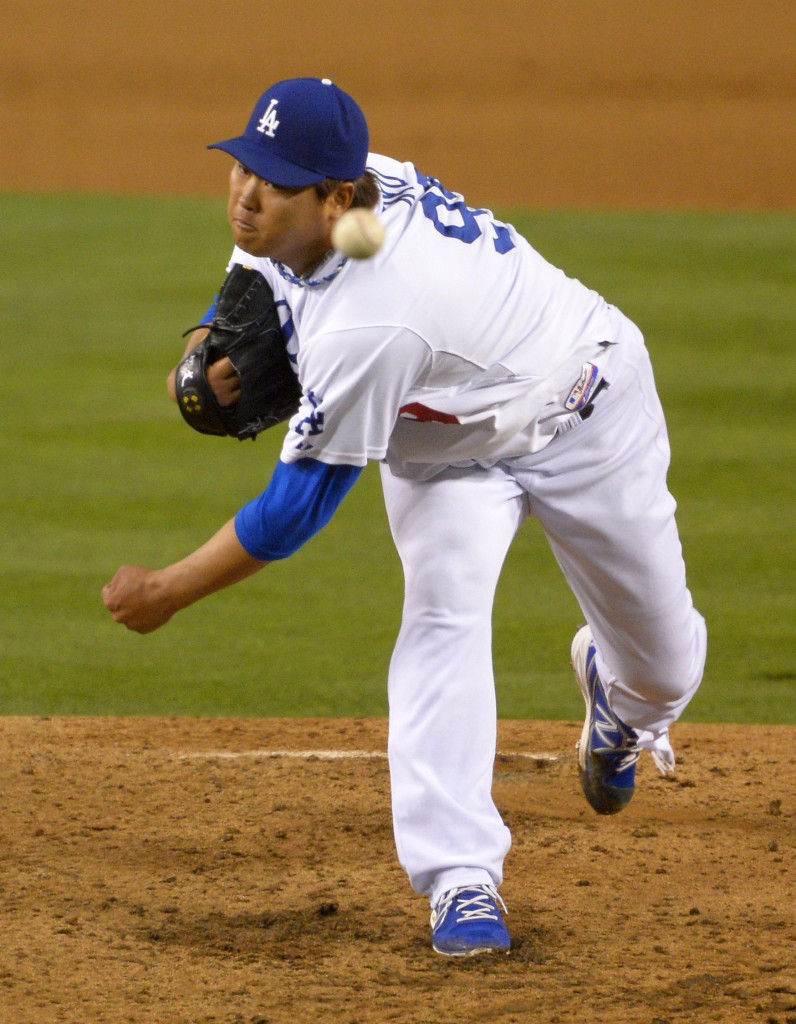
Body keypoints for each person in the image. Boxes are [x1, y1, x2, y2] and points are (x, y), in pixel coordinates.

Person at [103, 77, 707, 957]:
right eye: (240, 167)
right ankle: (459, 877)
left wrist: (167, 590)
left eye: (269, 181)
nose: (244, 193)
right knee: (441, 612)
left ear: (336, 197)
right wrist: (202, 351)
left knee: (666, 669)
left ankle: (622, 703)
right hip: (448, 451)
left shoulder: (373, 325)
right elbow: (249, 282)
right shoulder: (335, 196)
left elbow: (294, 510)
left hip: (587, 409)